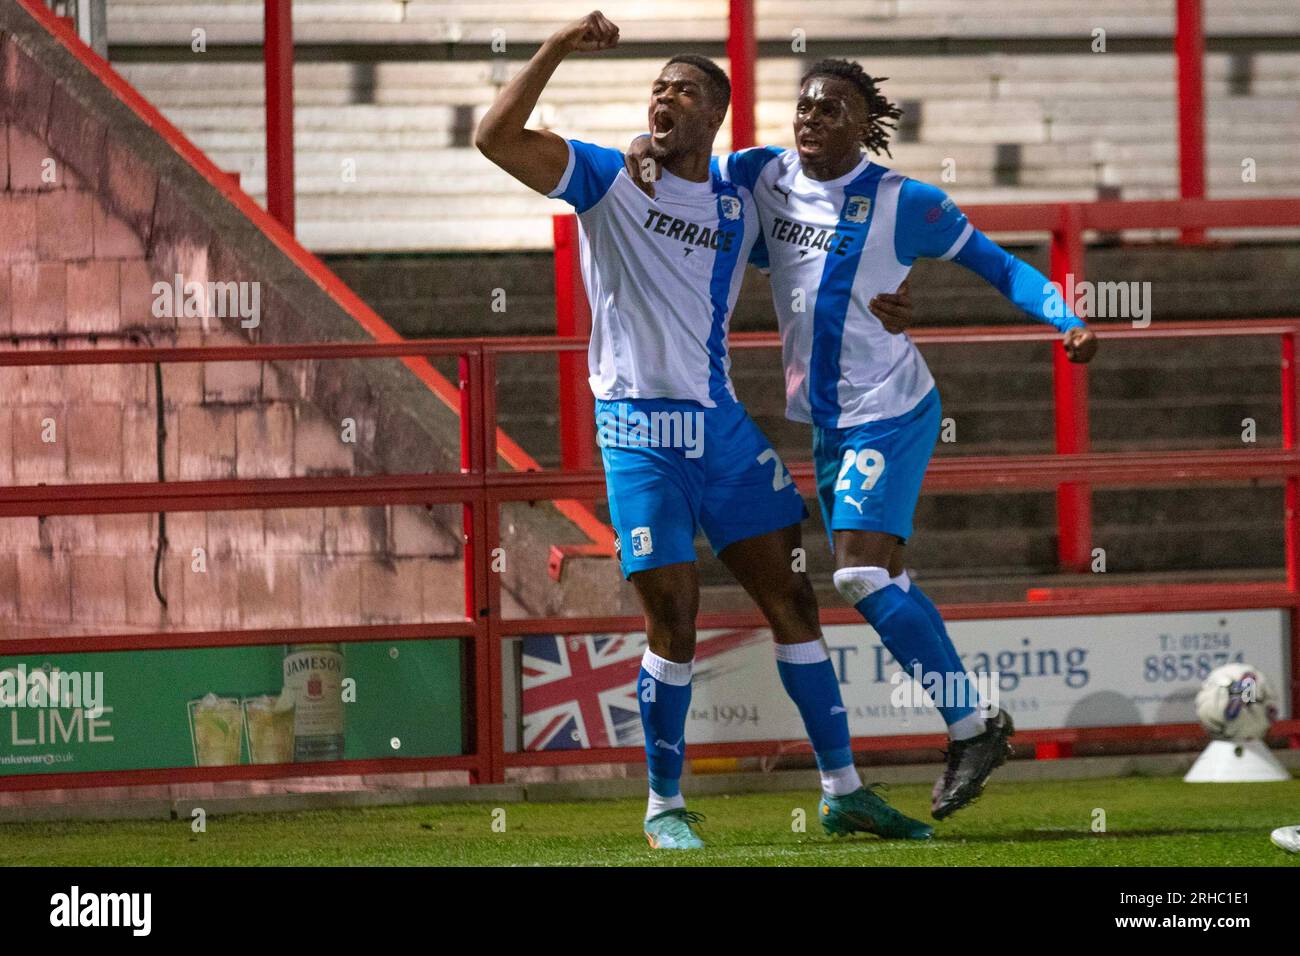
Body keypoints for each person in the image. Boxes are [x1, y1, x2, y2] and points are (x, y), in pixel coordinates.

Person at [476, 15, 933, 848]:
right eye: (657, 88)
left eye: (684, 89)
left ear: (715, 114)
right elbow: (494, 136)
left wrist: (896, 296)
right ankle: (663, 806)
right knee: (675, 620)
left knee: (793, 596)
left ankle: (843, 791)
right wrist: (557, 46)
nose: (664, 97)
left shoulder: (741, 195)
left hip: (719, 429)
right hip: (638, 434)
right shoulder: (610, 177)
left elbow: (832, 231)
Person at [627, 58, 1099, 819]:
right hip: (826, 420)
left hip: (891, 405)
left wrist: (1066, 319)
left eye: (831, 110)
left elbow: (1000, 266)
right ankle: (961, 730)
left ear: (863, 125)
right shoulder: (760, 175)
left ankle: (972, 726)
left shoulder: (905, 201)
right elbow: (692, 175)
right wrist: (640, 146)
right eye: (804, 106)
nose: (810, 119)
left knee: (861, 576)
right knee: (867, 577)